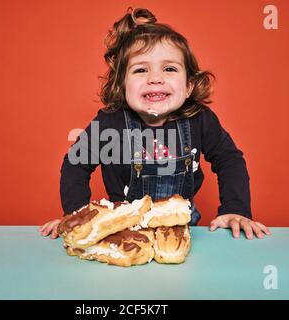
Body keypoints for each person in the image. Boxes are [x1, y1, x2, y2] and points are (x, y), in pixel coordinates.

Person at [39, 7, 271, 240]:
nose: (155, 78)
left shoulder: (199, 119)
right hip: (122, 234)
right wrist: (78, 214)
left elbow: (228, 159)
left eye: (169, 69)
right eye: (141, 70)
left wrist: (236, 209)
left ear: (189, 85)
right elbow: (75, 163)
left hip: (180, 234)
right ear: (122, 85)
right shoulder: (111, 122)